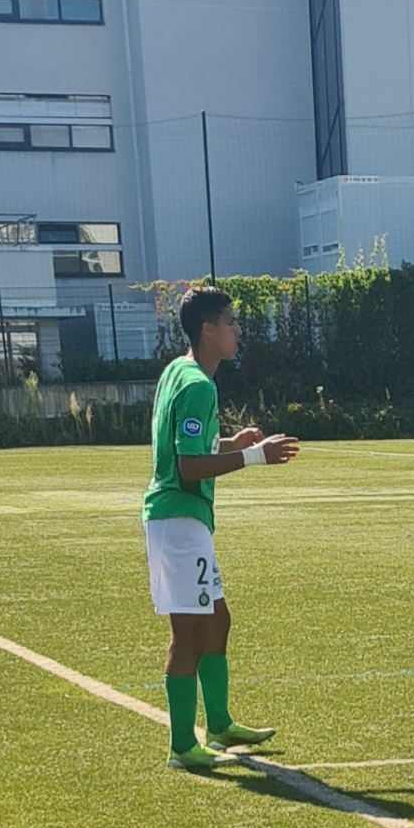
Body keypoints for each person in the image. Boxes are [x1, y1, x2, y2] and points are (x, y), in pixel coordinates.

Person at [143, 286, 300, 770]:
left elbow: (188, 446)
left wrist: (233, 441)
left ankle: (219, 723)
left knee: (217, 619)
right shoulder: (198, 384)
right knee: (188, 631)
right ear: (207, 329)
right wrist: (254, 456)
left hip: (183, 520)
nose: (237, 330)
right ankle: (181, 747)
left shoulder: (179, 370)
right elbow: (188, 467)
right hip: (178, 518)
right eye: (230, 322)